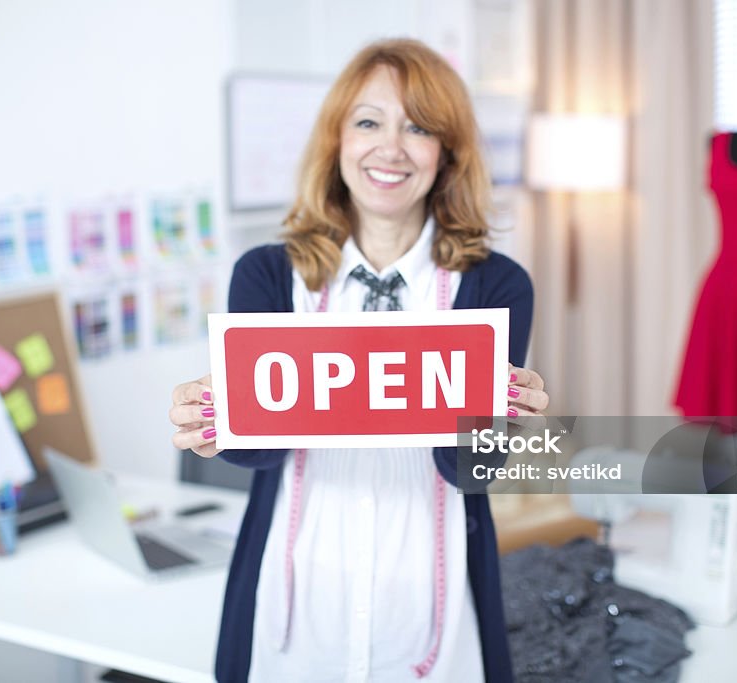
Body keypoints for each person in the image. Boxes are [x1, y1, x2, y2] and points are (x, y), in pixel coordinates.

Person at [169, 38, 548, 682]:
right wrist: (216, 422)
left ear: (447, 154)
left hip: (431, 595)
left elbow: (470, 469)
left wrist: (505, 425)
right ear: (337, 140)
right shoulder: (264, 275)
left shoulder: (497, 287)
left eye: (419, 127)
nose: (390, 148)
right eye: (368, 122)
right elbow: (255, 452)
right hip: (297, 594)